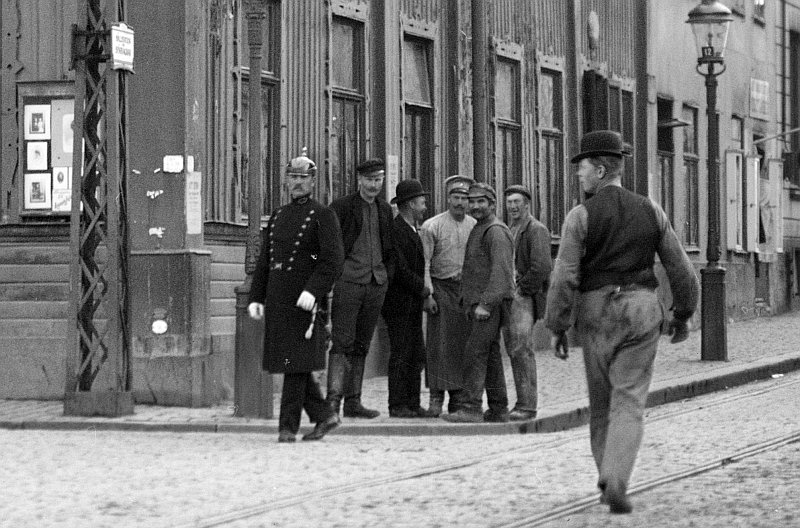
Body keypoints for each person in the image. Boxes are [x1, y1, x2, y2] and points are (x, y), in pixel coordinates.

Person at [545, 130, 699, 513]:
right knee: (629, 400)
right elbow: (681, 268)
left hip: (596, 313)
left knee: (601, 404)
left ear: (599, 170)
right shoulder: (651, 210)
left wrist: (558, 325)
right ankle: (616, 477)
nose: (579, 176)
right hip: (642, 309)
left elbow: (564, 275)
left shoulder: (579, 216)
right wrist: (682, 314)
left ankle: (606, 478)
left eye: (582, 169)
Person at [248, 150, 345, 443]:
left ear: (314, 181)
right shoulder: (278, 215)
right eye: (293, 177)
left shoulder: (322, 215)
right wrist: (257, 296)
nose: (298, 183)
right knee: (292, 363)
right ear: (286, 181)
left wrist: (313, 291)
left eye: (304, 178)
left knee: (295, 364)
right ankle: (324, 415)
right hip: (279, 298)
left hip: (304, 301)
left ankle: (287, 427)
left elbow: (332, 260)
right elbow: (266, 260)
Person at [327, 158, 395, 419]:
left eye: (378, 180)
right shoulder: (342, 207)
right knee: (342, 343)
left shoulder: (385, 210)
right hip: (348, 284)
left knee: (361, 345)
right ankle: (332, 402)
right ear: (359, 180)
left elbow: (389, 248)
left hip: (375, 284)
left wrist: (385, 277)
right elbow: (332, 246)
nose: (374, 185)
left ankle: (353, 402)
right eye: (369, 180)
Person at [442, 182, 514, 423]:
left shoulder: (495, 231)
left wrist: (486, 304)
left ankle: (471, 407)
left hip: (488, 306)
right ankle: (498, 408)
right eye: (472, 201)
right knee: (490, 356)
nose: (475, 206)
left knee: (474, 353)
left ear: (492, 204)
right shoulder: (481, 228)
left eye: (481, 201)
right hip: (480, 304)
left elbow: (501, 273)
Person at [419, 175, 476, 416]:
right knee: (439, 347)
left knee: (462, 346)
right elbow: (425, 262)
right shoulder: (432, 226)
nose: (460, 203)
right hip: (441, 289)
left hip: (465, 291)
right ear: (448, 199)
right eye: (456, 197)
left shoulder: (475, 225)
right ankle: (435, 398)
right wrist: (428, 294)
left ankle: (459, 399)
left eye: (464, 198)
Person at [383, 179, 437, 418]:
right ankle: (398, 404)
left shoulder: (413, 229)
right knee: (401, 353)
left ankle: (413, 403)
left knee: (415, 352)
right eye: (421, 202)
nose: (425, 207)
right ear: (410, 204)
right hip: (398, 302)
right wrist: (423, 289)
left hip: (411, 301)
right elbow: (399, 269)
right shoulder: (396, 231)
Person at [501, 184, 552, 421]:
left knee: (522, 349)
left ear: (527, 205)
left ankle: (527, 405)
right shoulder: (510, 228)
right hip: (510, 296)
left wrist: (521, 290)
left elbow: (542, 266)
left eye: (517, 203)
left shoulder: (535, 229)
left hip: (523, 297)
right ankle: (521, 402)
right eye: (509, 203)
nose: (512, 207)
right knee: (515, 349)